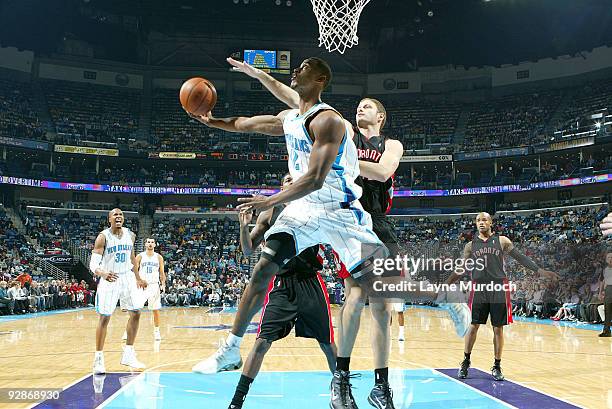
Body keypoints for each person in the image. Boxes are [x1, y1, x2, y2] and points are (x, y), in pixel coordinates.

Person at [225, 57, 470, 409]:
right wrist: (260, 74)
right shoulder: (341, 128)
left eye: (367, 105)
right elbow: (294, 100)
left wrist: (344, 161)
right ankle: (343, 383)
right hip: (343, 219)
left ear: (381, 116)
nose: (360, 109)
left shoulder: (392, 145)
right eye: (357, 105)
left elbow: (383, 173)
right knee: (355, 298)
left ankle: (434, 308)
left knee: (384, 299)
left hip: (374, 220)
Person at [188, 58, 397, 409]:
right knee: (264, 266)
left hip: (341, 211)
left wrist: (269, 199)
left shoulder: (329, 120)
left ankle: (378, 381)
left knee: (382, 293)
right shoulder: (291, 118)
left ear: (320, 79)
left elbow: (315, 178)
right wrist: (213, 121)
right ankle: (229, 349)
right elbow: (247, 124)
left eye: (302, 67)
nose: (295, 70)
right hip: (305, 209)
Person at [227, 174, 337, 409]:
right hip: (282, 284)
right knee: (261, 342)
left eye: (294, 178)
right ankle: (237, 401)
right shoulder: (270, 212)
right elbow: (247, 250)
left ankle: (342, 393)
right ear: (282, 187)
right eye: (287, 179)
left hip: (310, 281)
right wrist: (243, 226)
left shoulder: (312, 205)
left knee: (328, 345)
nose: (291, 180)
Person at [458, 212, 559, 381]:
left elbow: (520, 257)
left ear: (490, 222)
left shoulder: (502, 241)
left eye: (484, 220)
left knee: (498, 328)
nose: (481, 223)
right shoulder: (470, 246)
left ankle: (497, 365)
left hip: (498, 287)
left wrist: (540, 270)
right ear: (475, 224)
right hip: (479, 288)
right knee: (473, 326)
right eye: (478, 220)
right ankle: (466, 361)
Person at [90, 208, 148, 374]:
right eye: (115, 214)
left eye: (121, 214)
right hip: (110, 278)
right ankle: (98, 359)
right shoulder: (103, 237)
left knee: (136, 312)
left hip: (127, 277)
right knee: (105, 318)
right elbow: (93, 264)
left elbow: (132, 258)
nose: (118, 217)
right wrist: (103, 273)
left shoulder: (130, 234)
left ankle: (129, 354)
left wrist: (137, 277)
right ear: (109, 219)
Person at [122, 237, 166, 341]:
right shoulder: (140, 256)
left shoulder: (159, 257)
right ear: (145, 244)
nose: (150, 244)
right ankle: (127, 332)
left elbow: (162, 272)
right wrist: (135, 282)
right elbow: (134, 271)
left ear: (155, 245)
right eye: (148, 242)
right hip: (142, 285)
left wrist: (163, 284)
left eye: (152, 242)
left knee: (155, 310)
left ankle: (156, 332)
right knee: (135, 309)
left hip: (154, 285)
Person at [598, 251, 611, 337]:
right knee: (607, 312)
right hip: (609, 290)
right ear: (606, 260)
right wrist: (600, 292)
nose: (610, 259)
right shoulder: (605, 270)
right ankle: (606, 331)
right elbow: (602, 281)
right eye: (609, 258)